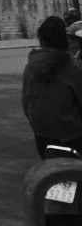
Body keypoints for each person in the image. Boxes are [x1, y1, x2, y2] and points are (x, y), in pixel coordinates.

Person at [22, 15, 82, 157]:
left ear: (42, 41)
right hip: (71, 135)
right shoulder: (71, 68)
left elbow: (26, 103)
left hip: (42, 135)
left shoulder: (31, 67)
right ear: (65, 41)